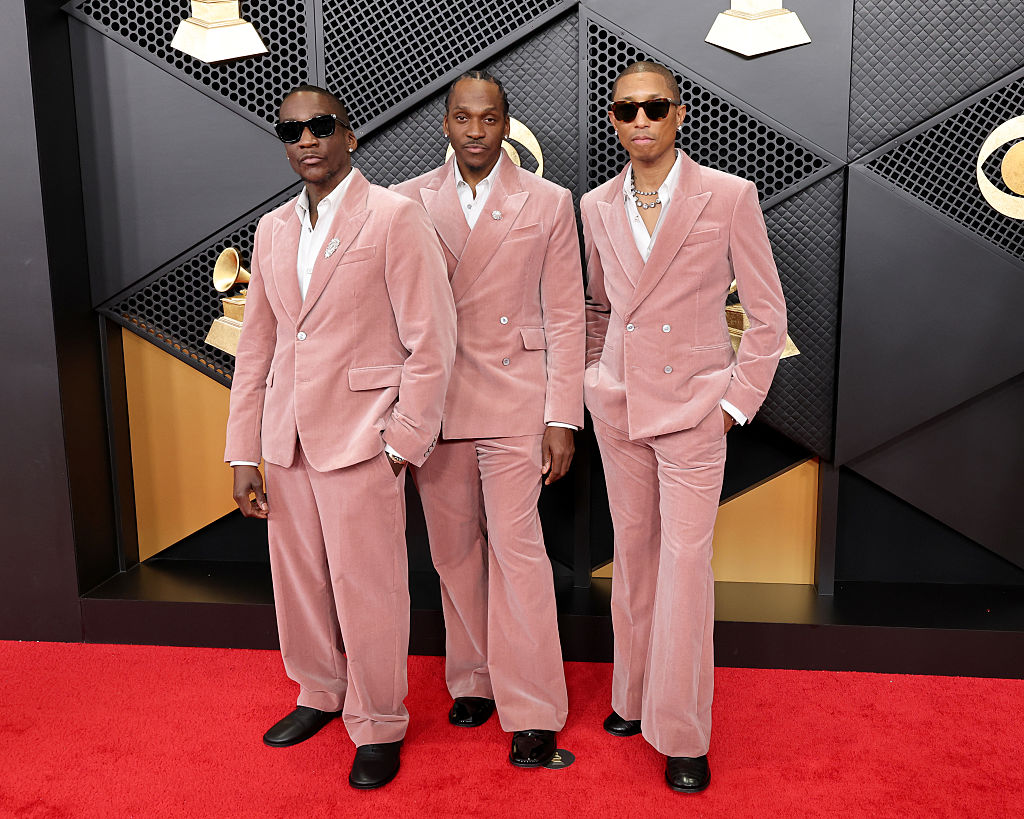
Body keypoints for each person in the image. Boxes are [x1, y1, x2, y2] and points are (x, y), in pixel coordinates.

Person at [224, 84, 456, 790]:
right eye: (290, 128)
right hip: (287, 439)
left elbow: (433, 341)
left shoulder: (395, 217)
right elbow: (257, 346)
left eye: (320, 125)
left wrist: (401, 442)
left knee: (370, 589)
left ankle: (380, 720)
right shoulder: (271, 231)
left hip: (363, 440)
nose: (306, 139)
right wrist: (242, 449)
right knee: (298, 586)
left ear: (349, 136)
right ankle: (319, 692)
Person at [581, 61, 787, 793]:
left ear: (680, 113)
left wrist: (734, 402)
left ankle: (682, 730)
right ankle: (633, 697)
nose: (641, 120)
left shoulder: (729, 196)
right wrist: (594, 378)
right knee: (633, 556)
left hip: (696, 408)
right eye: (626, 109)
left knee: (686, 567)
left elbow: (767, 314)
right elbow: (600, 307)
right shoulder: (595, 203)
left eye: (654, 107)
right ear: (613, 119)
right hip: (620, 408)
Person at [391, 70, 585, 768]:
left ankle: (533, 707)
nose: (476, 130)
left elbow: (566, 315)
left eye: (490, 117)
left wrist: (562, 415)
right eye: (463, 117)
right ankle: (472, 678)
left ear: (507, 124)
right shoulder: (405, 202)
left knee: (518, 552)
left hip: (515, 400)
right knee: (453, 554)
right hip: (435, 406)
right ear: (445, 123)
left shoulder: (548, 201)